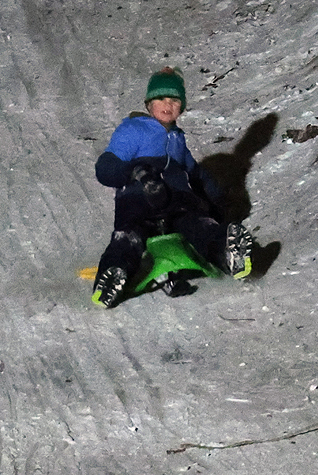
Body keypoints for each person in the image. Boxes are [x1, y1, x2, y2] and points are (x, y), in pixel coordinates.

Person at [91, 68, 254, 308]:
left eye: (174, 100)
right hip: (138, 200)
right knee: (128, 238)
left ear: (182, 107)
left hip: (177, 203)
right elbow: (106, 167)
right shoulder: (134, 130)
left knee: (199, 226)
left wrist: (219, 200)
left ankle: (226, 252)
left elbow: (195, 174)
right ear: (149, 104)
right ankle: (111, 277)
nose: (168, 104)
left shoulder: (178, 139)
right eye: (161, 98)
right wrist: (137, 172)